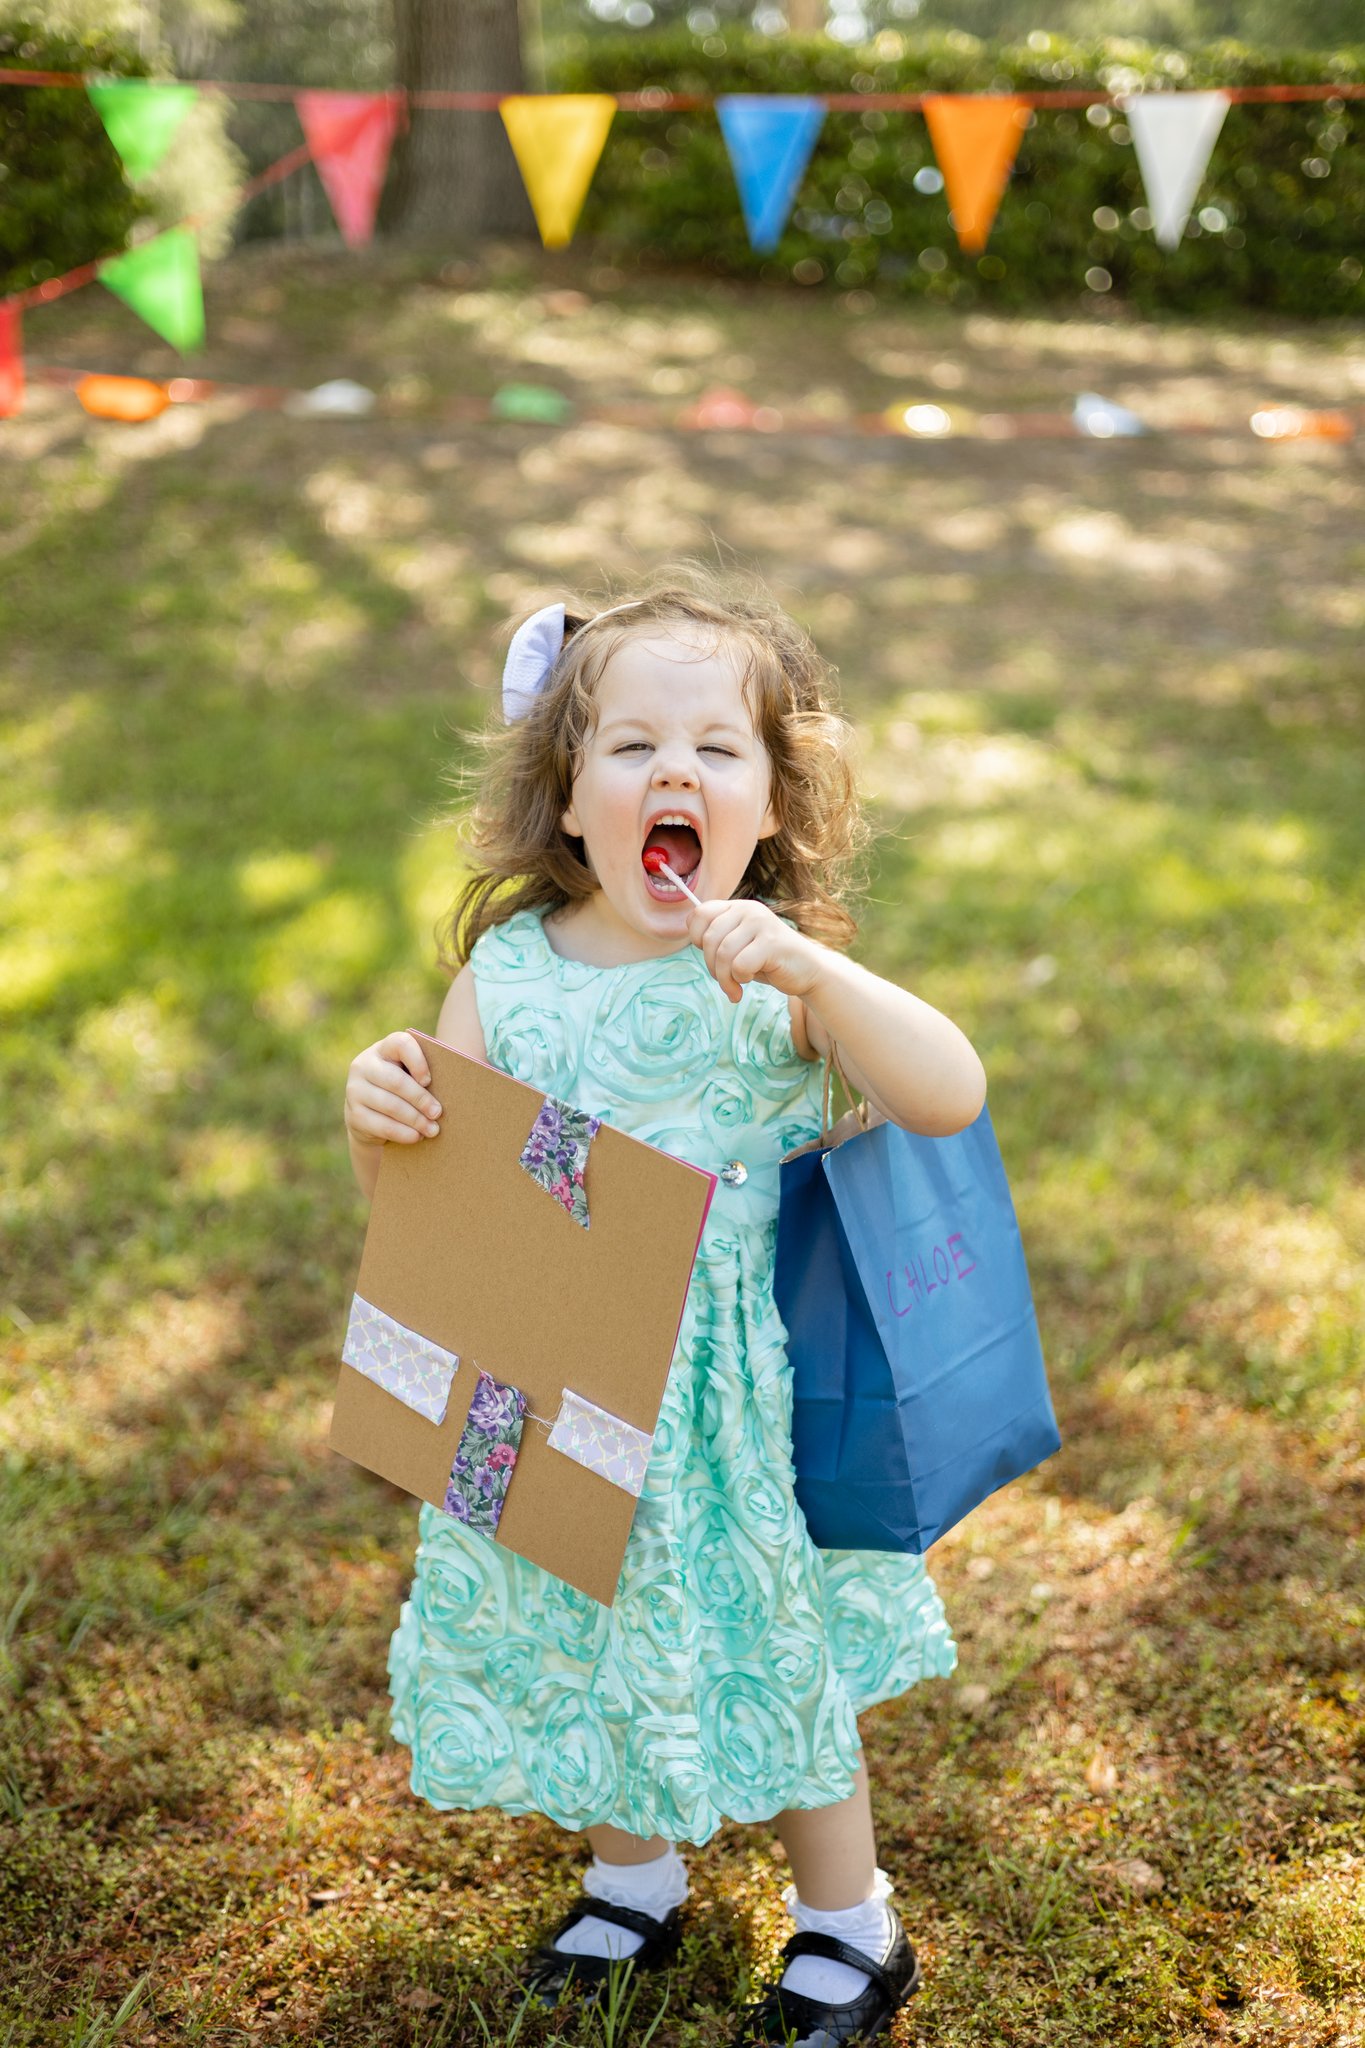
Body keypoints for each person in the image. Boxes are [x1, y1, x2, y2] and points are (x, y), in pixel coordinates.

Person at [342, 562, 986, 2046]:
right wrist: (377, 1123)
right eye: (629, 747)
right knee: (586, 1636)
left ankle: (849, 1926)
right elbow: (446, 1235)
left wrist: (818, 972)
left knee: (775, 1656)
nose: (670, 771)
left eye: (714, 749)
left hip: (737, 1422)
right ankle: (634, 1879)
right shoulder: (509, 978)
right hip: (560, 1389)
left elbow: (948, 1095)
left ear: (770, 806)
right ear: (567, 801)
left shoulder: (772, 979)